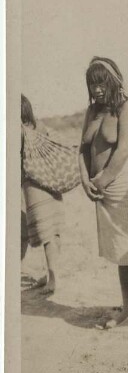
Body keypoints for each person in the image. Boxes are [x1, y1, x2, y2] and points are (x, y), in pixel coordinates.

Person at [79, 56, 128, 331]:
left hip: (124, 186)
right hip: (102, 188)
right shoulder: (92, 112)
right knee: (120, 253)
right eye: (91, 84)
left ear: (113, 80)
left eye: (100, 83)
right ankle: (127, 311)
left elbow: (123, 151)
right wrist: (86, 181)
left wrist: (100, 181)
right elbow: (82, 150)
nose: (96, 89)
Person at [21, 94, 64, 294]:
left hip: (35, 188)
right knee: (50, 233)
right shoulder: (41, 127)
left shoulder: (21, 131)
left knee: (39, 234)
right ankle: (50, 277)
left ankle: (53, 280)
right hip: (52, 184)